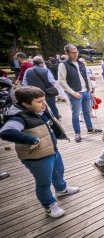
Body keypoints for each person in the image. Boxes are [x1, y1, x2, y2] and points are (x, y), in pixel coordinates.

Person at [0, 86, 79, 218]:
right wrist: (30, 139)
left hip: (51, 151)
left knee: (59, 171)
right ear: (25, 104)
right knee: (44, 183)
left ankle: (61, 189)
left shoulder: (39, 110)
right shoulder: (19, 117)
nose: (44, 104)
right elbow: (6, 132)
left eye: (44, 100)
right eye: (39, 101)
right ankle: (49, 205)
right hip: (37, 157)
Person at [58, 44, 101, 143]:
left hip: (86, 91)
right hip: (75, 93)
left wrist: (90, 90)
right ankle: (77, 133)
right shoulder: (63, 64)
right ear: (67, 53)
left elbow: (86, 77)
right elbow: (61, 81)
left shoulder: (81, 63)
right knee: (76, 114)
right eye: (73, 53)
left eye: (76, 52)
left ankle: (90, 128)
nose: (76, 54)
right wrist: (73, 92)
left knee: (87, 112)